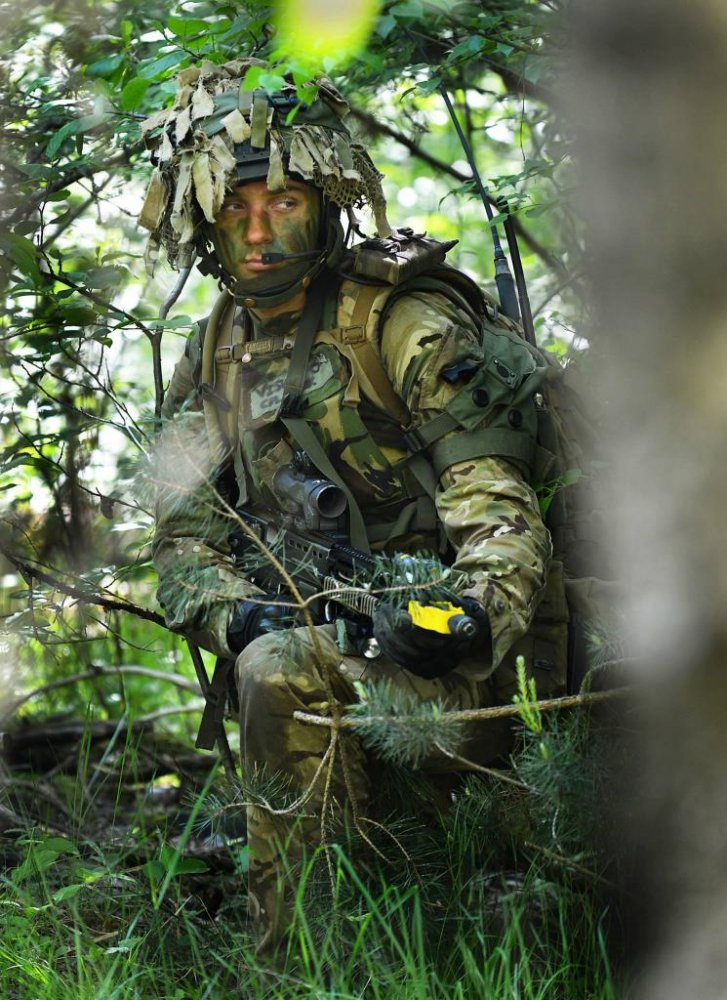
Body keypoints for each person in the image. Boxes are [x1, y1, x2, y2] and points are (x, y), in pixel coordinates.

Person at [141, 58, 568, 954]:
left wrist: (464, 616)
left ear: (327, 201)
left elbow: (500, 515)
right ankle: (312, 958)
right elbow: (178, 545)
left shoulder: (401, 323)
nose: (259, 232)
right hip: (333, 653)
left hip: (492, 666)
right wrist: (239, 613)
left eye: (283, 202)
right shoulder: (214, 351)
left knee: (280, 673)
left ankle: (313, 955)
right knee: (272, 661)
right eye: (234, 209)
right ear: (202, 219)